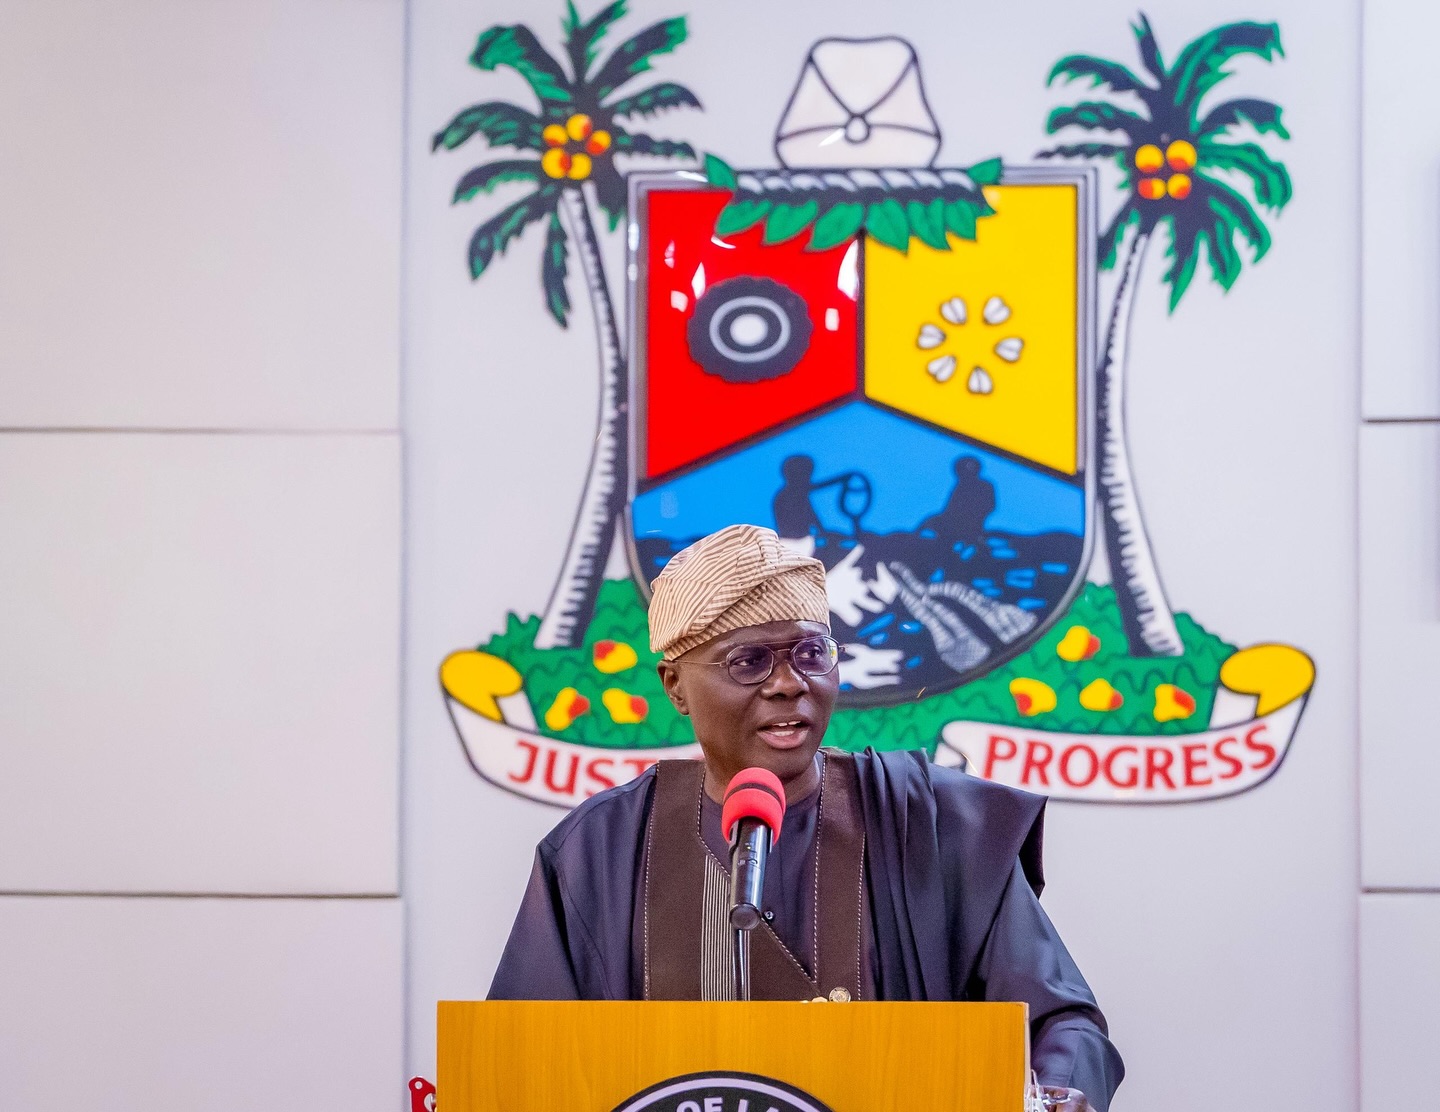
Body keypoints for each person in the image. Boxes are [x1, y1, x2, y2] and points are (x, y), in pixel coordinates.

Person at [489, 524, 1124, 1110]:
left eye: (810, 653)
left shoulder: (930, 825)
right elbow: (520, 1063)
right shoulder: (598, 853)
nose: (789, 683)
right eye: (749, 661)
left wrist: (1059, 1094)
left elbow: (1062, 1025)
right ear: (675, 686)